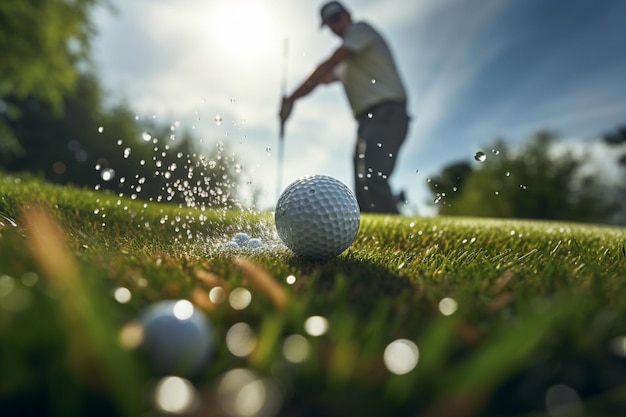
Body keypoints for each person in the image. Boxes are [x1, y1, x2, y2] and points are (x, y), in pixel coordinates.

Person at [279, 1, 410, 214]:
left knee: (372, 177)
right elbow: (324, 78)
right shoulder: (347, 60)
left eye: (336, 18)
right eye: (329, 23)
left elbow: (327, 66)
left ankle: (400, 243)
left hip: (386, 112)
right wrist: (295, 96)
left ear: (347, 15)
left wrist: (291, 98)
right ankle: (370, 236)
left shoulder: (360, 31)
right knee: (362, 183)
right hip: (367, 121)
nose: (334, 26)